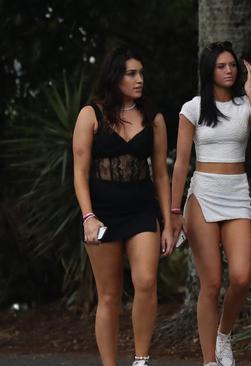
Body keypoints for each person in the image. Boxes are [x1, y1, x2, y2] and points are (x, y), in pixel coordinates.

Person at [170, 41, 251, 366]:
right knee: (212, 283)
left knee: (241, 277)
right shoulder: (194, 108)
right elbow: (181, 164)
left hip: (237, 193)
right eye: (221, 66)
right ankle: (209, 361)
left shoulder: (245, 104)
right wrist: (174, 212)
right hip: (204, 194)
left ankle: (224, 335)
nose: (229, 71)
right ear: (209, 71)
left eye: (232, 65)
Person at [72, 47, 174, 366]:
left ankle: (141, 359)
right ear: (115, 77)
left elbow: (160, 173)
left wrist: (169, 224)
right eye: (132, 73)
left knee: (145, 281)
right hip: (101, 213)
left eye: (141, 73)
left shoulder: (153, 118)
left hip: (142, 210)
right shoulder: (91, 114)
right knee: (109, 296)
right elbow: (79, 171)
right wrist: (88, 216)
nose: (139, 79)